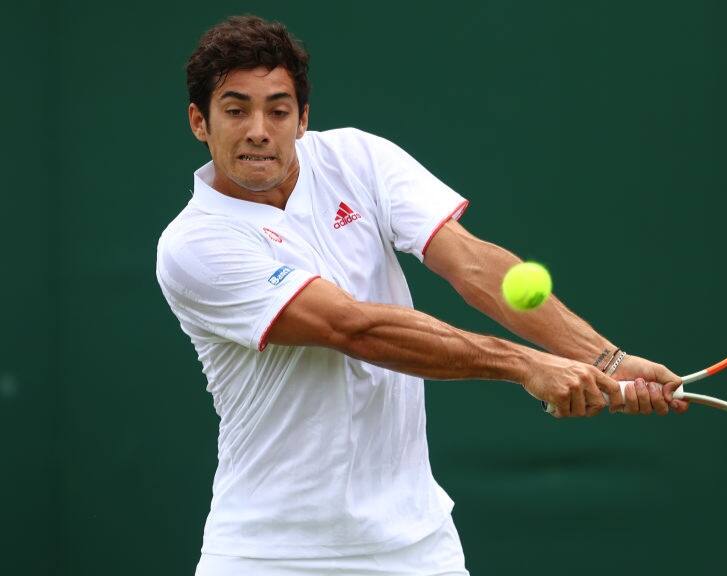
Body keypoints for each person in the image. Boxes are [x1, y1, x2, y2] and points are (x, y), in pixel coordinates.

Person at [156, 14, 687, 576]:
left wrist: (606, 360)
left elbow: (474, 265)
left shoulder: (358, 159)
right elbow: (353, 328)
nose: (259, 130)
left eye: (278, 110)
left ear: (303, 118)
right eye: (236, 110)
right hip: (270, 556)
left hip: (416, 549)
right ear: (199, 121)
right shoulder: (194, 244)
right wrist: (525, 364)